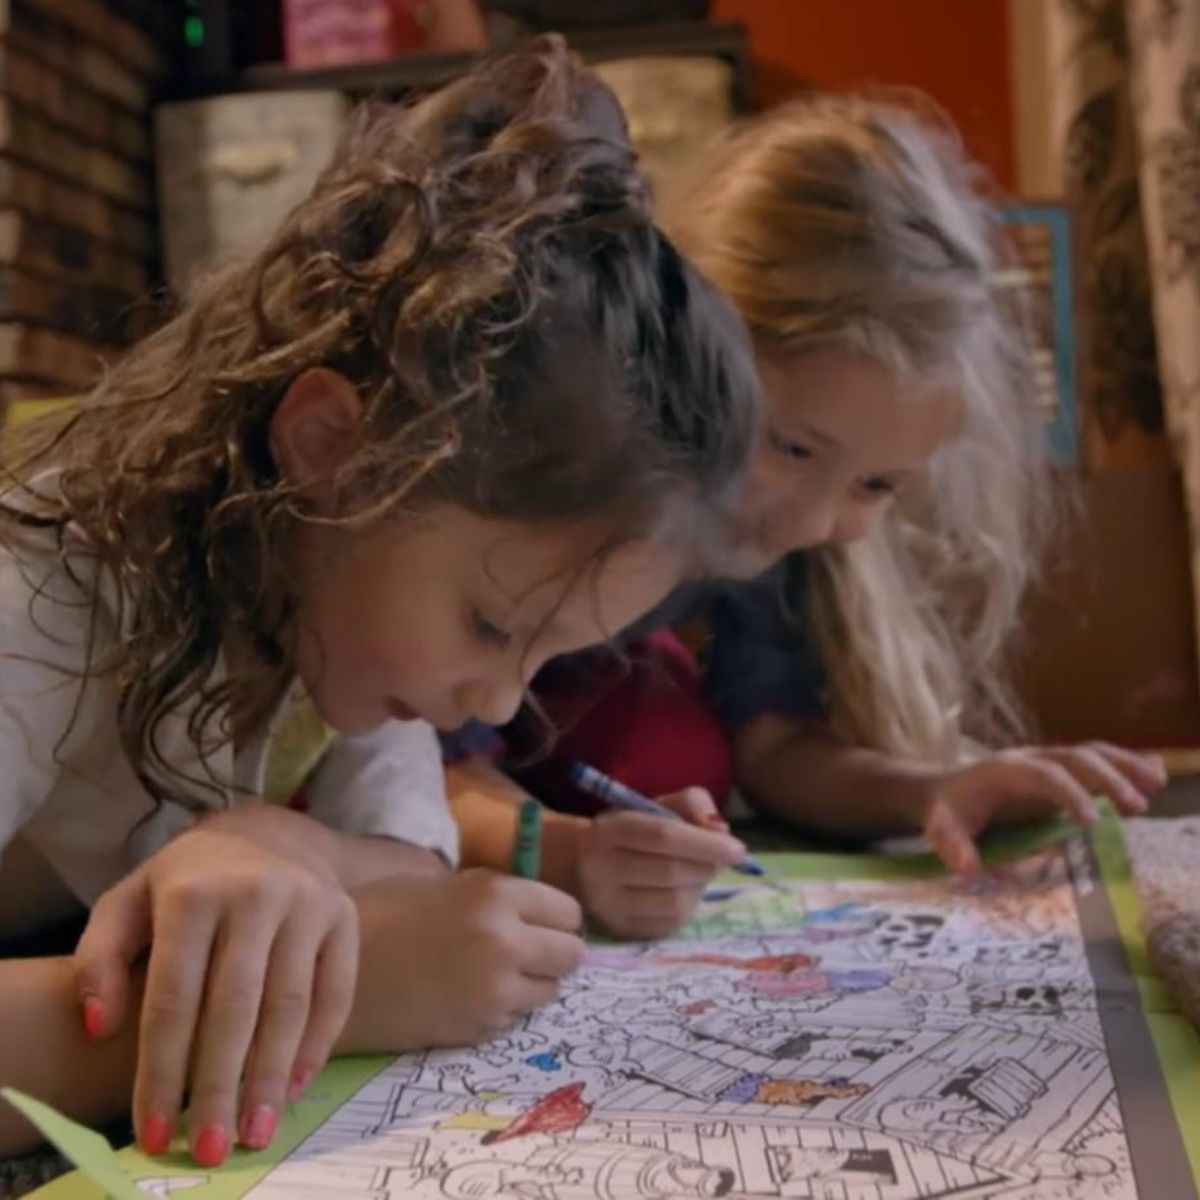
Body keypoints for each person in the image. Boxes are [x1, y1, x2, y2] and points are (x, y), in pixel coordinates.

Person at [0, 38, 759, 1163]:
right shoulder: (49, 570)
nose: (499, 704)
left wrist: (274, 845)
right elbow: (397, 933)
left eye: (544, 657)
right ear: (330, 450)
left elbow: (411, 862)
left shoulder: (329, 602)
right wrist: (321, 1005)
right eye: (493, 627)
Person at [448, 91, 1165, 940]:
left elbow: (776, 746)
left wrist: (932, 788)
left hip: (567, 818)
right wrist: (563, 853)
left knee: (678, 743)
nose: (813, 522)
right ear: (684, 358)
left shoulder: (763, 526)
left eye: (876, 486)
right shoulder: (544, 492)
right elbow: (405, 762)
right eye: (789, 448)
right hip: (415, 796)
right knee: (666, 745)